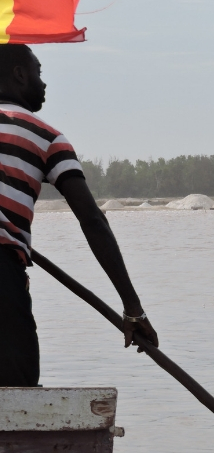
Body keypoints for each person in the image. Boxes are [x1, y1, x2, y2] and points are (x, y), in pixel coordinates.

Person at [0, 45, 158, 387]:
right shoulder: (46, 137)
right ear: (19, 74)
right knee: (16, 393)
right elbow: (93, 221)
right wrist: (133, 308)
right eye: (39, 74)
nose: (44, 85)